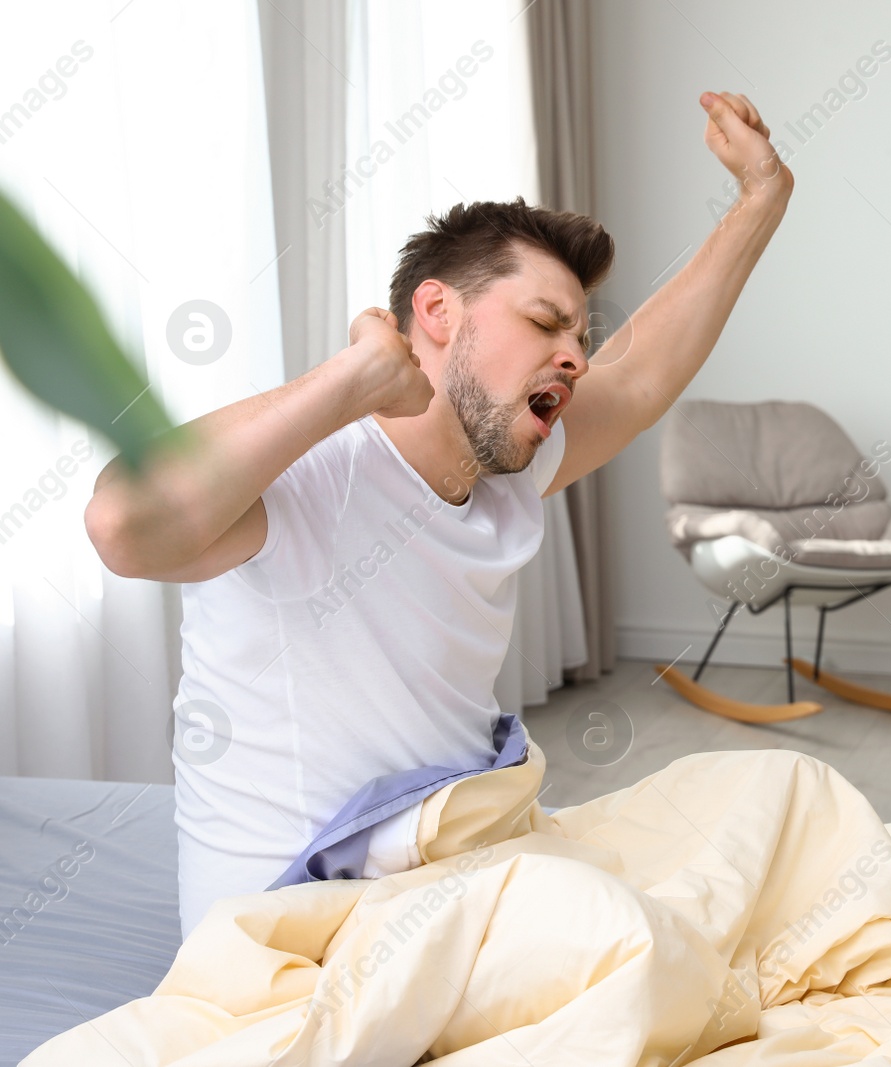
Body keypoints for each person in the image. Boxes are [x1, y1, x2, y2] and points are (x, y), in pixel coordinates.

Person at [84, 91, 793, 937]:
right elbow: (121, 526)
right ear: (435, 313)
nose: (575, 354)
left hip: (443, 879)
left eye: (580, 336)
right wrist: (354, 375)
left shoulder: (505, 473)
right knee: (658, 936)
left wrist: (761, 200)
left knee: (785, 800)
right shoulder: (311, 473)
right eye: (544, 322)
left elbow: (639, 379)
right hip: (295, 925)